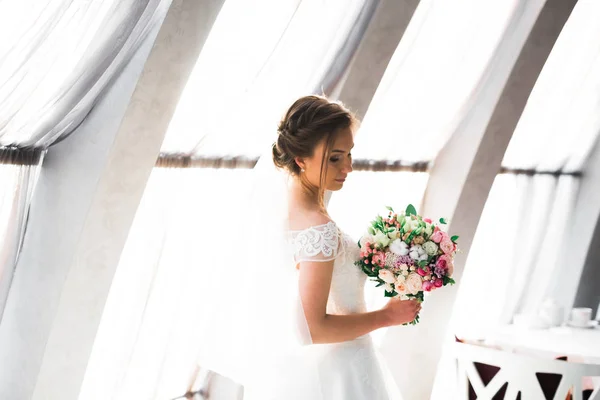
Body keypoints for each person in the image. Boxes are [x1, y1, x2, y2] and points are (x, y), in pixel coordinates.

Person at [238, 95, 420, 399]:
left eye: (349, 154)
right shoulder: (316, 228)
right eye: (335, 157)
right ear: (301, 159)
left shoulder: (298, 218)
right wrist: (387, 316)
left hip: (337, 369)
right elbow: (311, 329)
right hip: (339, 376)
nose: (347, 167)